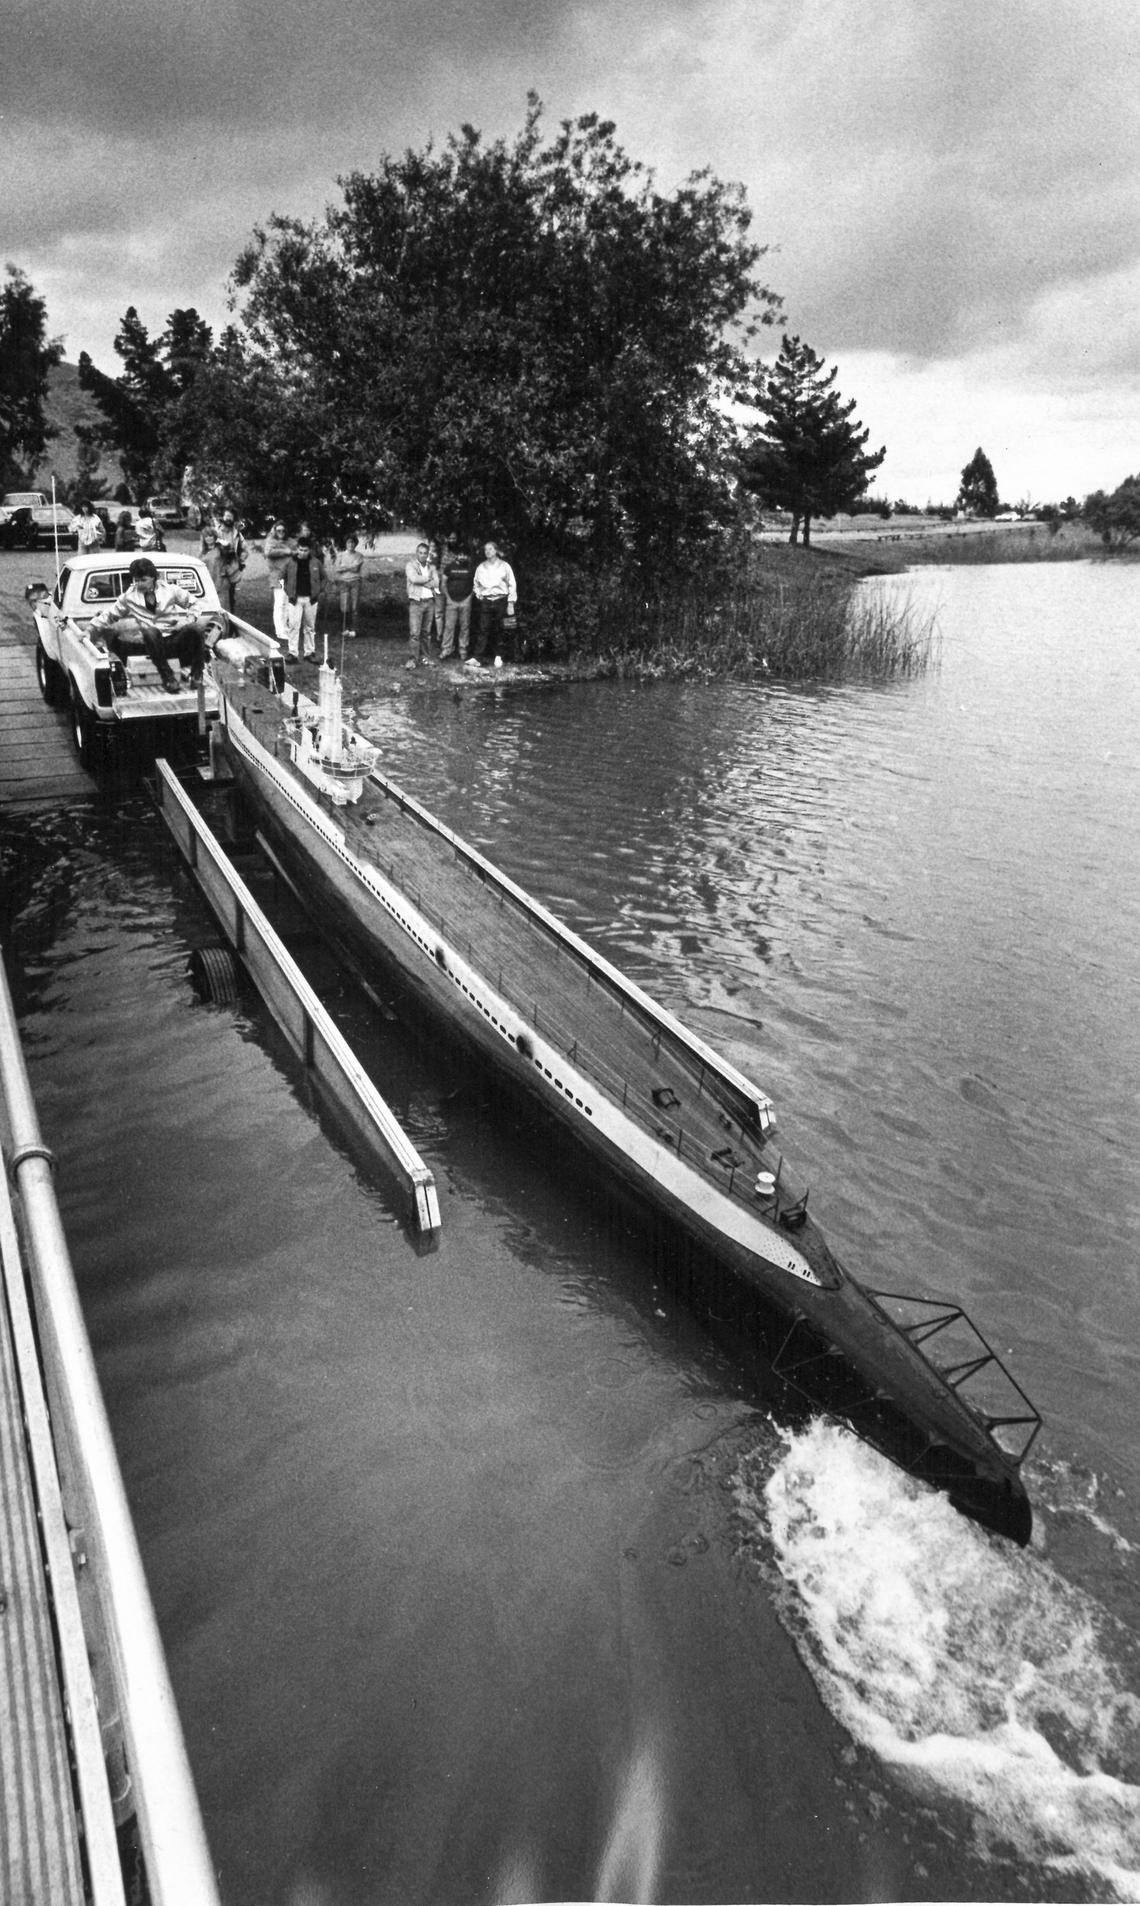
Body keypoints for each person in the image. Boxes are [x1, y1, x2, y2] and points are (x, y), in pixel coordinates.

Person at [86, 556, 218, 693]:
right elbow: (110, 615)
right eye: (136, 580)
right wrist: (90, 629)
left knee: (196, 629)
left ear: (154, 578)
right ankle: (168, 678)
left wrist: (186, 621)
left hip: (173, 639)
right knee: (150, 632)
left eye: (143, 580)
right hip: (150, 645)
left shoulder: (170, 590)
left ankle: (197, 675)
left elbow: (194, 603)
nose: (139, 584)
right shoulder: (128, 597)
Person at [471, 541, 518, 669]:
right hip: (486, 601)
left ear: (496, 551)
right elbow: (476, 584)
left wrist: (511, 602)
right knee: (483, 628)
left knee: (501, 629)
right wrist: (479, 594)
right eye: (486, 550)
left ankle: (499, 656)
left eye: (490, 549)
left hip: (501, 600)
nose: (488, 552)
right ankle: (477, 658)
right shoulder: (481, 567)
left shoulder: (504, 566)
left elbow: (512, 584)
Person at [282, 537, 324, 661]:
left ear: (309, 550)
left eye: (305, 550)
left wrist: (317, 592)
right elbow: (281, 578)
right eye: (300, 550)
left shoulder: (316, 562)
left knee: (310, 627)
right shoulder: (290, 563)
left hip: (310, 600)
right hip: (295, 599)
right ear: (297, 549)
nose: (303, 553)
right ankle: (292, 653)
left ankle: (309, 653)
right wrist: (289, 593)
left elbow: (324, 578)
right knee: (294, 626)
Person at [439, 537, 475, 662]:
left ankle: (463, 650)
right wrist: (448, 598)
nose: (462, 557)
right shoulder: (449, 567)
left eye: (465, 555)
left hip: (466, 601)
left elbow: (476, 585)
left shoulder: (471, 568)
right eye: (460, 554)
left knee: (465, 627)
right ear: (457, 555)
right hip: (451, 601)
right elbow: (443, 583)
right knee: (449, 626)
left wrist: (469, 598)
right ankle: (446, 649)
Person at [404, 540, 438, 669]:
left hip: (429, 602)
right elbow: (413, 578)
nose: (422, 555)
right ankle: (412, 659)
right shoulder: (410, 565)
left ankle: (425, 657)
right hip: (416, 602)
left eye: (425, 553)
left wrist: (425, 580)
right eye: (420, 553)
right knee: (414, 633)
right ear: (416, 553)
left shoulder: (432, 567)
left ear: (428, 554)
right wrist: (429, 579)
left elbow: (437, 583)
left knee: (426, 633)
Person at [263, 519, 294, 643]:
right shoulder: (271, 541)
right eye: (278, 530)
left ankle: (286, 628)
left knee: (287, 603)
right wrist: (285, 551)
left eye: (283, 530)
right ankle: (280, 631)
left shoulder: (290, 541)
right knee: (280, 603)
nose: (281, 532)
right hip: (277, 576)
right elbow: (268, 552)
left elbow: (296, 551)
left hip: (289, 576)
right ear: (275, 531)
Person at [213, 509, 247, 612]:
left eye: (230, 516)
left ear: (233, 518)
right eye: (226, 515)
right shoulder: (216, 532)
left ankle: (231, 621)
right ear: (223, 517)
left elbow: (245, 549)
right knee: (218, 595)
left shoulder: (237, 533)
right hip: (218, 568)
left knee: (231, 597)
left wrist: (240, 560)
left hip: (232, 569)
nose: (228, 518)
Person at [332, 534, 364, 638]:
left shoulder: (359, 555)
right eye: (349, 542)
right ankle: (345, 629)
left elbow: (356, 569)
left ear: (355, 544)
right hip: (343, 582)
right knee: (344, 606)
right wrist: (350, 566)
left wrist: (344, 567)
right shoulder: (340, 555)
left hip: (355, 582)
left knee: (355, 606)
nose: (351, 544)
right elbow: (337, 568)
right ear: (346, 544)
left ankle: (354, 630)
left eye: (353, 542)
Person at [200, 526, 228, 605]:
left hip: (219, 580)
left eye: (210, 536)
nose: (208, 538)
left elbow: (228, 545)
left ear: (214, 537)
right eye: (206, 536)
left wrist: (219, 540)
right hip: (207, 582)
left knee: (220, 604)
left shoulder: (221, 549)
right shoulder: (203, 552)